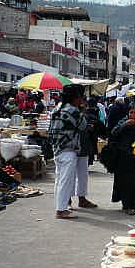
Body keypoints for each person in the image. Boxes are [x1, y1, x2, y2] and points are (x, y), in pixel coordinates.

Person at [48, 84, 88, 219]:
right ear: (75, 98)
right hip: (68, 149)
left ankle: (61, 206)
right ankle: (61, 210)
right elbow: (83, 126)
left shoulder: (56, 109)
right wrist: (82, 109)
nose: (80, 100)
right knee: (65, 181)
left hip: (57, 149)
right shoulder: (73, 110)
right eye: (79, 97)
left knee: (59, 180)